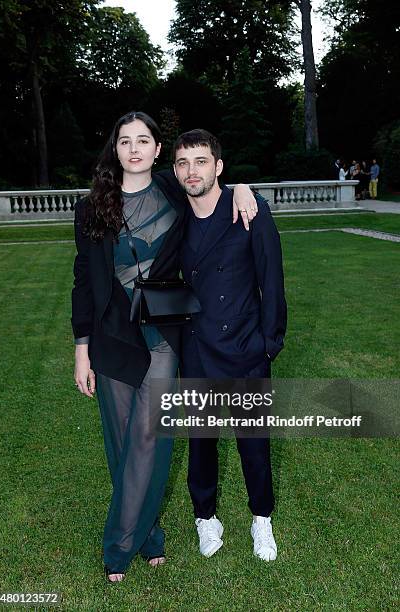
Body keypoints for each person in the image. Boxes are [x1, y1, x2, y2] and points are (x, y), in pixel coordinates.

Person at [71, 111, 258, 582]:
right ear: (115, 150)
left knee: (149, 436)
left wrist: (242, 189)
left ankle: (117, 545)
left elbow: (213, 191)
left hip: (159, 332)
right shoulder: (90, 207)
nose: (134, 149)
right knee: (121, 442)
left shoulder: (176, 192)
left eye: (144, 141)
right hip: (112, 334)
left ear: (158, 151)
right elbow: (82, 281)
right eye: (124, 141)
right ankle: (149, 533)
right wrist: (81, 349)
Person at [173, 129, 287, 561]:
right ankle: (206, 517)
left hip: (245, 348)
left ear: (218, 166)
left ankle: (262, 519)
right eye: (183, 163)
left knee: (253, 443)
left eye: (201, 161)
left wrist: (268, 344)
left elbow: (271, 280)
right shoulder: (176, 215)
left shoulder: (249, 212)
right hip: (197, 348)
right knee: (201, 441)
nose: (191, 171)